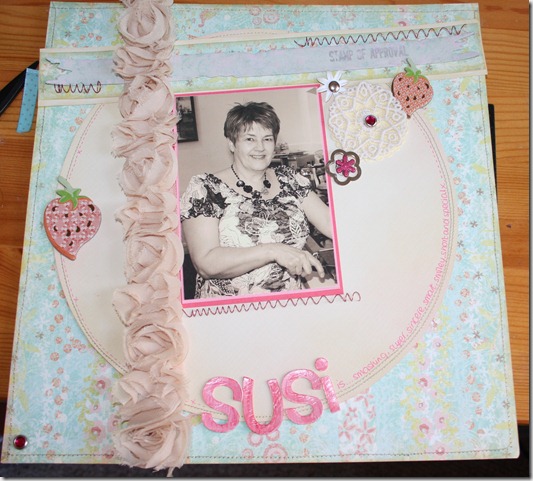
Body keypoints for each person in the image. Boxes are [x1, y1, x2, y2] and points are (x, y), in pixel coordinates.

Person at [180, 101, 332, 299]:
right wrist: (272, 251)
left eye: (267, 139)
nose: (260, 147)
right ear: (232, 143)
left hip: (288, 304)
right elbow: (206, 263)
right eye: (250, 139)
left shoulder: (290, 180)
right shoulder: (205, 189)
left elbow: (331, 223)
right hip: (231, 309)